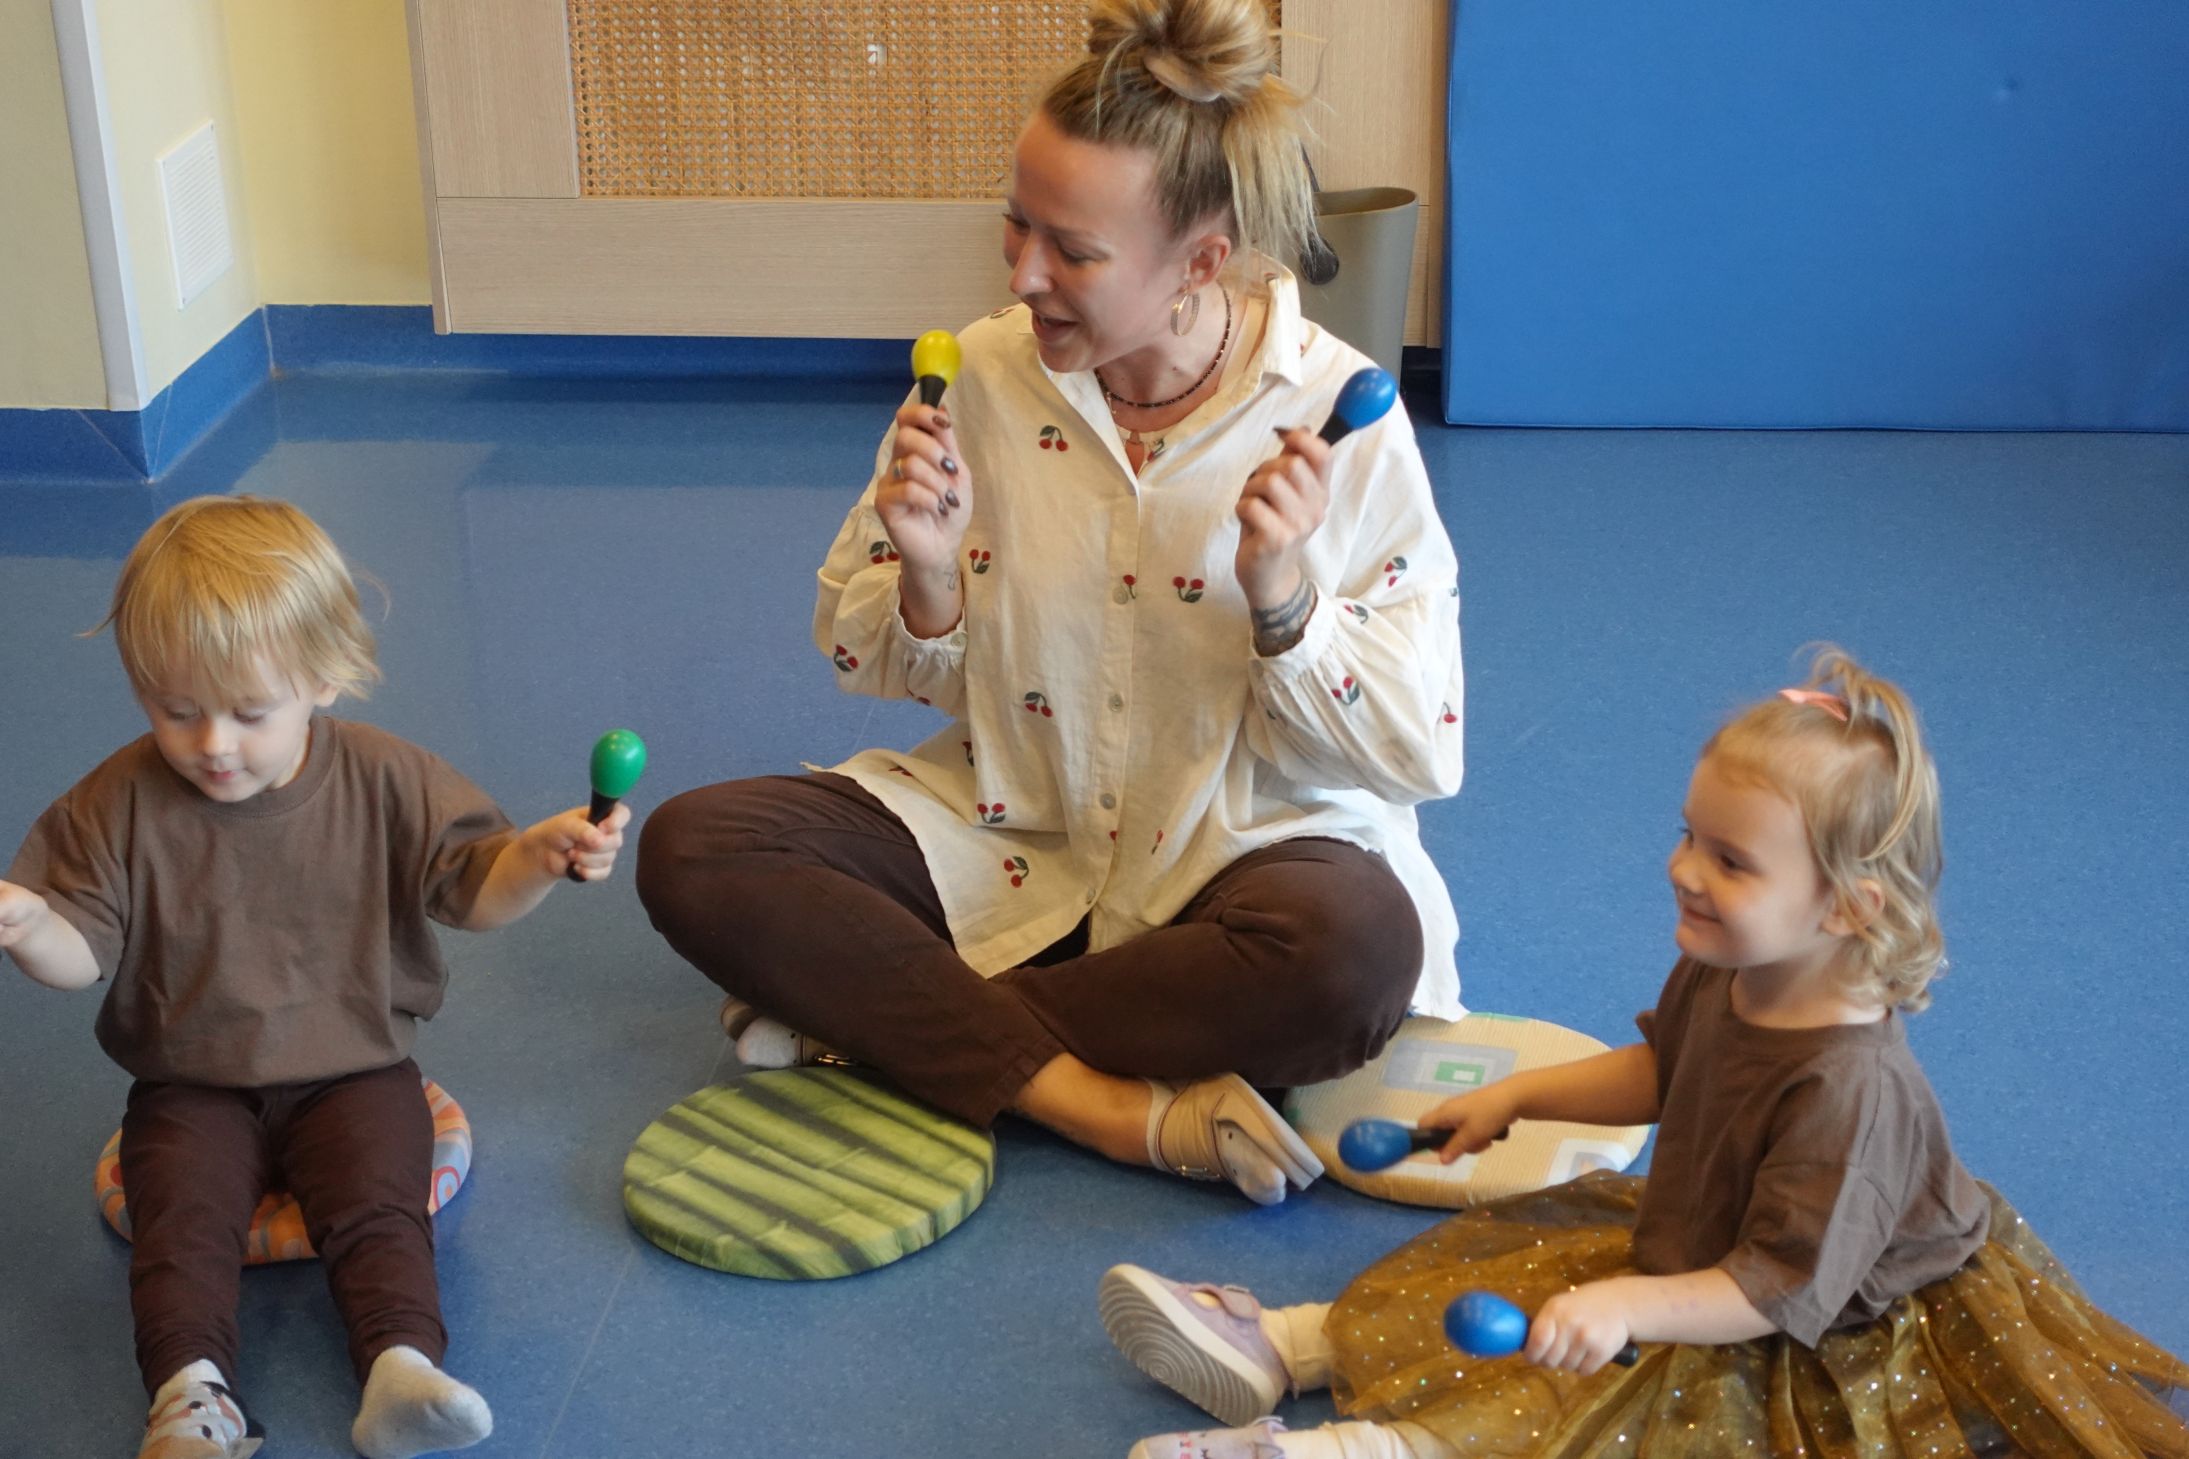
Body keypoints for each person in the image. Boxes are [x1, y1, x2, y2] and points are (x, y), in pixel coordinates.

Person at [637, 0, 1465, 1206]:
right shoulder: (979, 373)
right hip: (1013, 829)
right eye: (1016, 225)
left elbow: (1419, 748)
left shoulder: (1340, 416)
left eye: (1072, 252)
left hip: (1235, 860)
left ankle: (884, 1025)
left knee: (1350, 959)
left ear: (1200, 262)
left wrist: (1285, 601)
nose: (1022, 273)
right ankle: (1099, 1105)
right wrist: (928, 574)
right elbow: (864, 654)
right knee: (695, 847)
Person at [1101, 648, 2189, 1459]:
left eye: (1730, 860)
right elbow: (1667, 1072)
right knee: (1513, 1278)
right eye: (1686, 836)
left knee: (1598, 1403)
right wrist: (1519, 1098)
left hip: (1800, 1316)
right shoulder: (1730, 965)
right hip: (1712, 1247)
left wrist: (1627, 1305)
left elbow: (1768, 1289)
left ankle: (1355, 1451)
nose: (1682, 870)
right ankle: (1285, 1345)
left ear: (1848, 908)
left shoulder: (1850, 1094)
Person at [0, 496, 630, 1459]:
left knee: (379, 1206)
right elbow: (79, 954)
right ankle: (190, 1395)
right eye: (177, 710)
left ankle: (399, 1369)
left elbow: (473, 892)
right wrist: (30, 925)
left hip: (356, 1069)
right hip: (190, 1082)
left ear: (326, 676)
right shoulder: (111, 804)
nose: (213, 743)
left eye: (250, 712)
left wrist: (538, 858)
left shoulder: (388, 777)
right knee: (180, 1227)